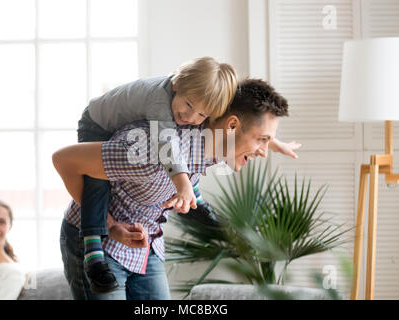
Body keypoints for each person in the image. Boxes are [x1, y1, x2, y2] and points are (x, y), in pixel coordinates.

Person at [53, 78, 290, 300]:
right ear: (232, 125)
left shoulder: (215, 145)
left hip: (148, 247)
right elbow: (64, 160)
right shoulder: (148, 152)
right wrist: (110, 225)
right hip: (100, 245)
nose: (263, 151)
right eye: (262, 140)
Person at [75, 56, 238, 293]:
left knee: (191, 145)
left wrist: (271, 141)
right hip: (97, 124)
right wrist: (181, 183)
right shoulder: (159, 101)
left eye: (202, 115)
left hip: (124, 126)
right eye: (189, 105)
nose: (191, 117)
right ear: (176, 86)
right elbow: (167, 144)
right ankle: (94, 252)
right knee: (96, 181)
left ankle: (197, 200)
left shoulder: (184, 108)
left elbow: (187, 148)